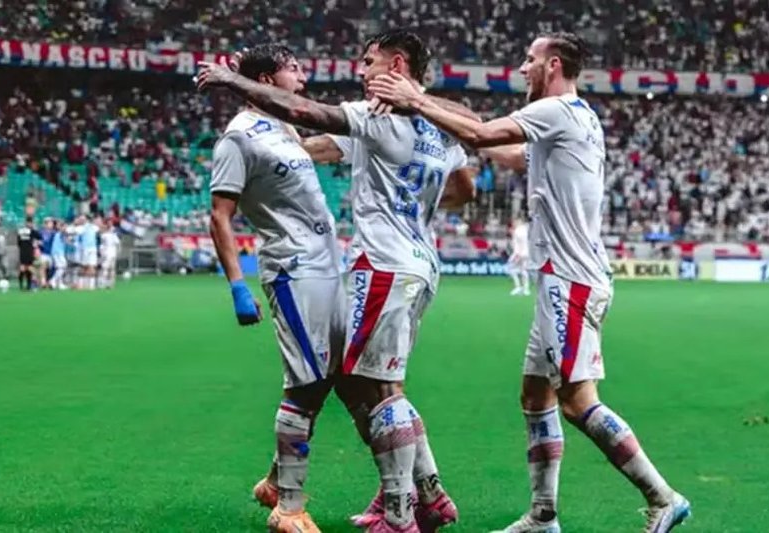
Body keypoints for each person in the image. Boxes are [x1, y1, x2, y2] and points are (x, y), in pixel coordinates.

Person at [368, 32, 690, 533]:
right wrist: (446, 120)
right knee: (535, 396)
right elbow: (513, 155)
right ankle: (543, 516)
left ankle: (662, 495)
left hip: (571, 277)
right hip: (559, 277)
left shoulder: (557, 109)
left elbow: (483, 137)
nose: (522, 68)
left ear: (553, 65)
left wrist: (416, 101)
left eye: (529, 60)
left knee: (578, 400)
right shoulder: (574, 117)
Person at [198, 29, 477, 533]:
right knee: (358, 383)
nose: (359, 70)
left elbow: (307, 116)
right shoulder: (442, 124)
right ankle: (427, 496)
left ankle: (398, 515)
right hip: (418, 263)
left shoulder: (376, 119)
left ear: (396, 66)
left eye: (369, 62)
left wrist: (236, 81)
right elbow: (464, 187)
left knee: (380, 390)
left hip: (383, 264)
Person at [207, 44, 346, 533]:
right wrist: (237, 286)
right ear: (267, 79)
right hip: (292, 269)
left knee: (326, 379)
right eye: (295, 70)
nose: (303, 79)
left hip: (328, 266)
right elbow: (220, 215)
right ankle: (288, 508)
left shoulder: (285, 127)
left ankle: (273, 479)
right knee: (304, 382)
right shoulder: (237, 139)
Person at [16, 217, 41, 291]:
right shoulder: (30, 231)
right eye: (29, 223)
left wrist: (35, 244)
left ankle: (27, 285)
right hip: (26, 251)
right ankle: (24, 285)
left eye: (30, 223)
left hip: (26, 251)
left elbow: (18, 242)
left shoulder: (24, 231)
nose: (30, 224)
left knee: (27, 268)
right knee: (24, 268)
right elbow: (39, 238)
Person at [508, 216, 530, 296]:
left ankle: (518, 287)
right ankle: (525, 289)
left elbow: (518, 244)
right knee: (523, 271)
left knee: (511, 268)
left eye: (515, 222)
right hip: (526, 253)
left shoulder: (517, 231)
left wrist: (517, 254)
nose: (513, 224)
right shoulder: (525, 229)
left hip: (519, 253)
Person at [99, 221, 121, 289]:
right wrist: (118, 252)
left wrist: (101, 252)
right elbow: (118, 245)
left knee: (105, 268)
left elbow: (102, 244)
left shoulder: (104, 235)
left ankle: (103, 283)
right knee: (112, 269)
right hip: (112, 253)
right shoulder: (113, 235)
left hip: (107, 252)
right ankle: (111, 284)